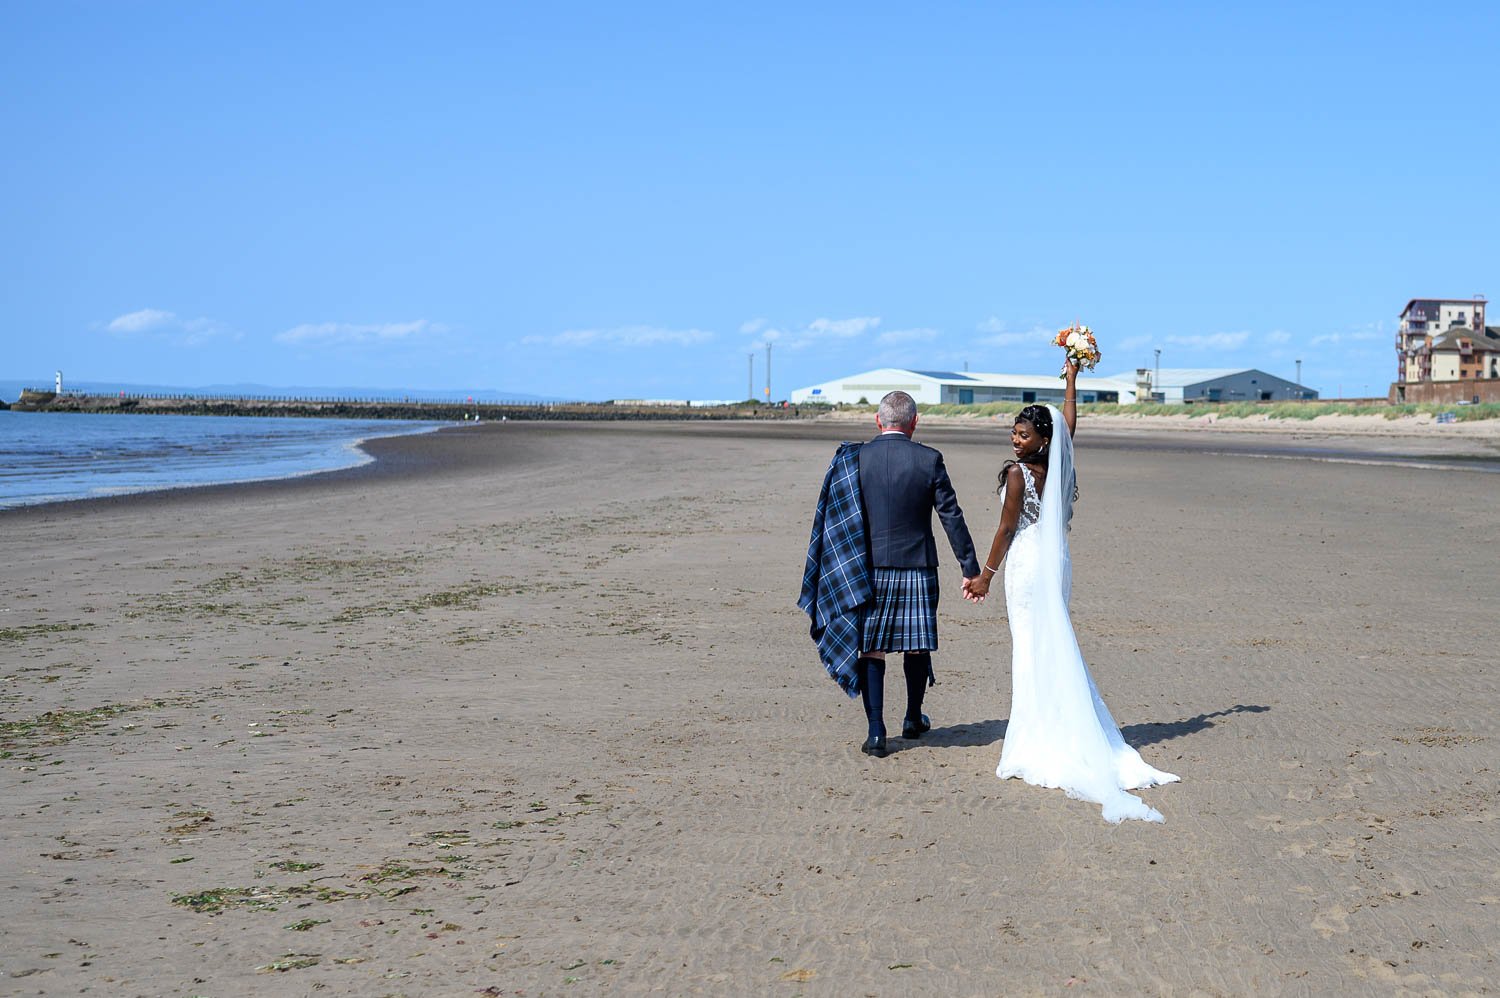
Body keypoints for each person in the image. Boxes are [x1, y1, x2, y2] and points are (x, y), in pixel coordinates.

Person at [963, 361, 1179, 822]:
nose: (1015, 440)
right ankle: (1057, 726)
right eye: (1013, 433)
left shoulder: (1019, 474)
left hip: (1026, 564)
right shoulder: (1058, 464)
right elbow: (1068, 423)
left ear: (1042, 439)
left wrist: (985, 576)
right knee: (1052, 641)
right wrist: (1071, 380)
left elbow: (1005, 529)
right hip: (1057, 561)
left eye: (1022, 434)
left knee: (1031, 646)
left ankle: (1036, 740)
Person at [853, 391, 982, 758]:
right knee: (916, 642)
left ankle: (876, 731)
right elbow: (951, 516)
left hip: (871, 566)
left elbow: (840, 517)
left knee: (872, 648)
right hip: (917, 564)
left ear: (879, 421)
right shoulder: (929, 459)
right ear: (914, 423)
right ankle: (911, 717)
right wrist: (969, 567)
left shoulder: (858, 458)